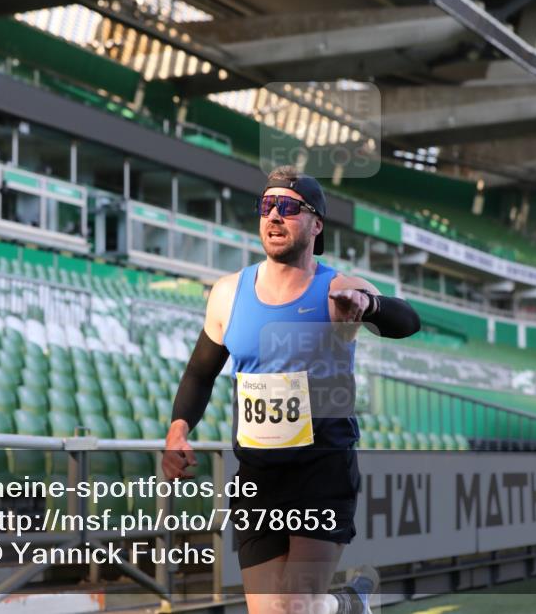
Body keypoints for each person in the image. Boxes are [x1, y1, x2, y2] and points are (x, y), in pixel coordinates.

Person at [163, 167, 421, 613]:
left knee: (296, 607)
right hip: (258, 477)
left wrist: (369, 305)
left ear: (317, 223)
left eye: (289, 207)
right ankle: (348, 604)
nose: (274, 216)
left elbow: (407, 321)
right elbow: (200, 375)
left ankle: (338, 604)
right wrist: (178, 429)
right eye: (267, 206)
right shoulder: (228, 293)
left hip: (322, 470)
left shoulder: (338, 289)